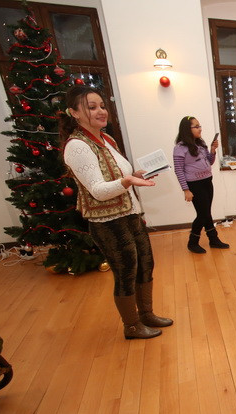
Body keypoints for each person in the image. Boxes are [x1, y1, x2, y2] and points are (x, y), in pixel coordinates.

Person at [59, 86, 172, 339]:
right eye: (91, 107)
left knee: (146, 264)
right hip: (107, 221)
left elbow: (119, 174)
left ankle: (146, 314)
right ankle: (132, 326)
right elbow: (98, 191)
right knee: (126, 272)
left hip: (130, 214)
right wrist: (128, 181)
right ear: (74, 113)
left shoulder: (107, 139)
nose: (101, 111)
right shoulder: (77, 146)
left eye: (102, 106)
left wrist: (135, 175)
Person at [173, 115, 229, 254]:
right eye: (196, 126)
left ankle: (213, 239)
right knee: (203, 214)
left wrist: (212, 150)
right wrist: (186, 190)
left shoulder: (200, 143)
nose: (200, 129)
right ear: (187, 129)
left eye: (200, 126)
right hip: (194, 184)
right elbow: (178, 170)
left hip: (207, 181)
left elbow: (209, 161)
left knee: (206, 212)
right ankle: (193, 242)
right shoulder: (180, 148)